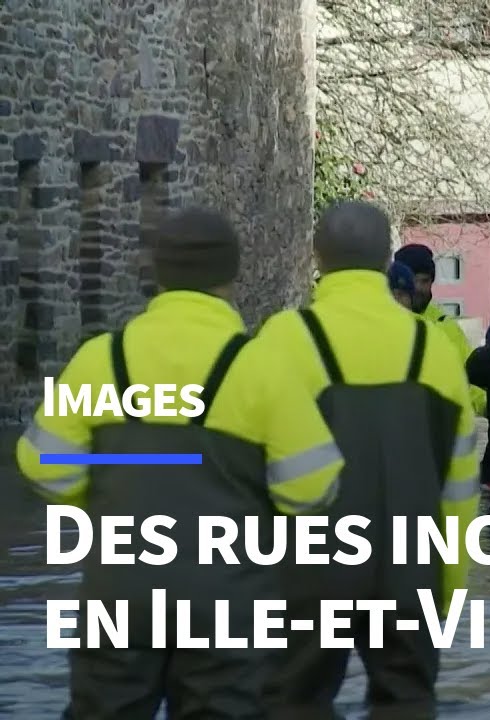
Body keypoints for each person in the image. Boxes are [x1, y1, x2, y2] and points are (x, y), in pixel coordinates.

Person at [14, 207, 344, 718]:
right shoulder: (259, 366)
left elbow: (42, 465)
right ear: (231, 276)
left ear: (159, 275)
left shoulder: (102, 358)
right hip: (228, 600)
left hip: (119, 594)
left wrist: (107, 500)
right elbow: (313, 485)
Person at [256, 200, 481, 718]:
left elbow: (243, 473)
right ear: (387, 259)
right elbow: (460, 488)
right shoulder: (433, 348)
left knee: (292, 703)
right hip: (409, 571)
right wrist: (444, 587)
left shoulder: (282, 340)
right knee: (407, 703)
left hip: (309, 577)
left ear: (317, 256)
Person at [393, 242, 487, 415]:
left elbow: (468, 380)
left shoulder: (445, 325)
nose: (419, 288)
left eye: (425, 281)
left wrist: (489, 406)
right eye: (413, 280)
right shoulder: (381, 320)